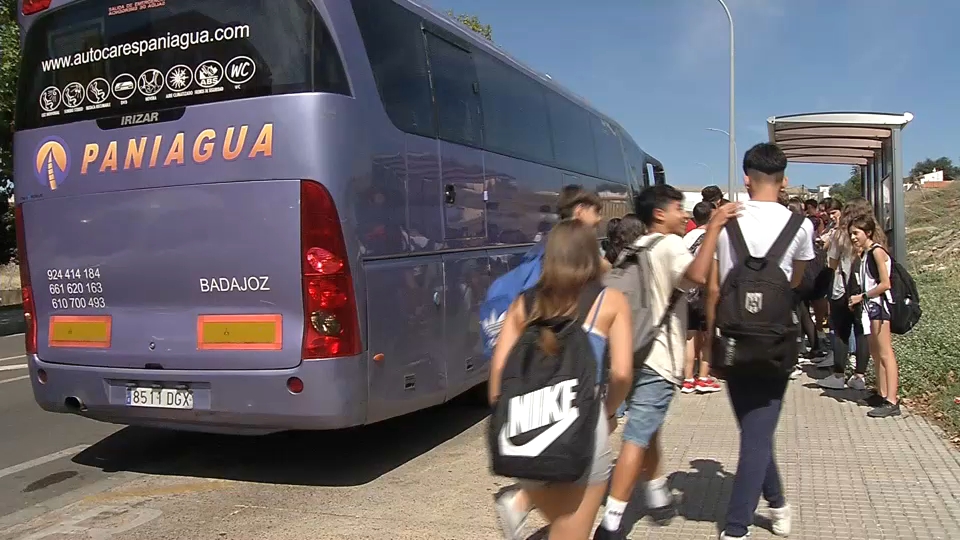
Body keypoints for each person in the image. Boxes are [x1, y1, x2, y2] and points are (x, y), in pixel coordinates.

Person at [594, 185, 739, 540]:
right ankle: (612, 524)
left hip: (631, 352)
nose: (685, 214)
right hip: (658, 358)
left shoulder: (634, 247)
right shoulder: (670, 245)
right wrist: (715, 227)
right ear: (659, 214)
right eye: (678, 208)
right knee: (636, 438)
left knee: (648, 425)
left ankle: (657, 491)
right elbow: (698, 277)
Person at [488, 220, 634, 540]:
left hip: (525, 429)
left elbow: (498, 375)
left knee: (562, 527)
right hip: (583, 423)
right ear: (591, 254)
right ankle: (518, 504)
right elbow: (622, 373)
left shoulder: (522, 303)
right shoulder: (610, 301)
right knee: (573, 533)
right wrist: (608, 412)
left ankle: (518, 500)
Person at [709, 142, 814, 540]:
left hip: (732, 340)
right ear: (783, 179)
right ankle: (775, 507)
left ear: (745, 178)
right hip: (777, 343)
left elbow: (715, 286)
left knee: (752, 430)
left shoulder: (725, 223)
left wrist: (708, 345)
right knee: (757, 432)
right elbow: (797, 281)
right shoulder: (800, 226)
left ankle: (738, 526)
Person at [848, 213, 901, 418]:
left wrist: (861, 296)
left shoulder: (877, 252)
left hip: (880, 307)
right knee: (876, 353)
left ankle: (892, 399)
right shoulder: (864, 254)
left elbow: (885, 284)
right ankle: (882, 392)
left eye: (856, 233)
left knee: (885, 352)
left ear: (867, 232)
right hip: (870, 308)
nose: (853, 237)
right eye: (851, 233)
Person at [818, 198, 873, 391]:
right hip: (866, 290)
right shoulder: (874, 233)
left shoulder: (841, 235)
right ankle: (859, 376)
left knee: (840, 330)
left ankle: (839, 375)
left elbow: (831, 263)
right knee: (861, 331)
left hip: (842, 289)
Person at [681, 201, 721, 394]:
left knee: (689, 336)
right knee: (707, 336)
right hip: (704, 293)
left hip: (686, 293)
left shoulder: (686, 237)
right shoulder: (712, 238)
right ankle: (703, 377)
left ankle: (688, 378)